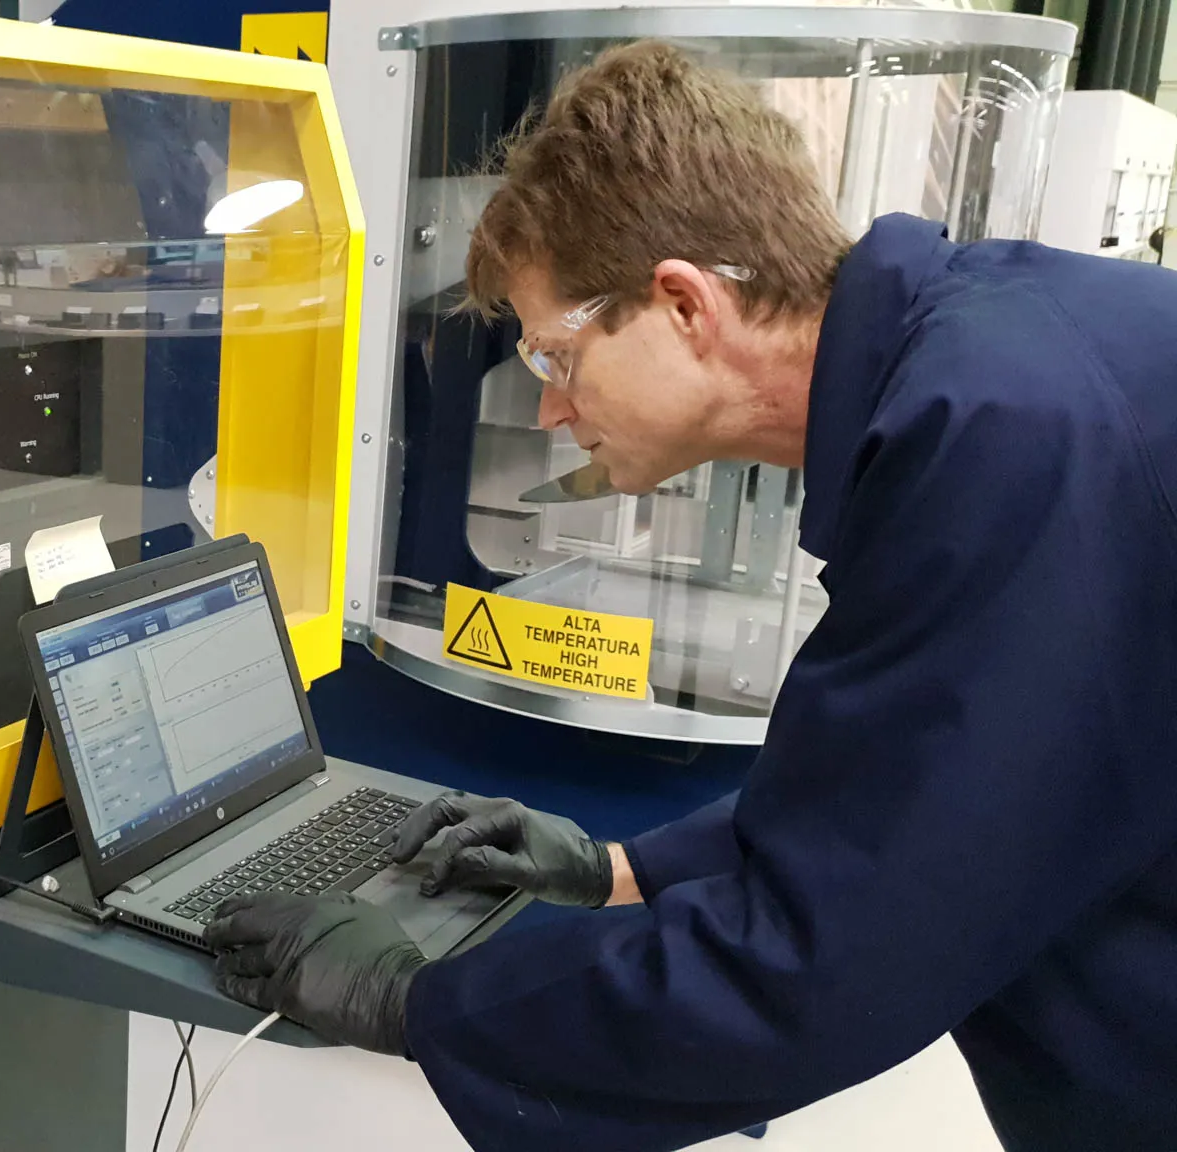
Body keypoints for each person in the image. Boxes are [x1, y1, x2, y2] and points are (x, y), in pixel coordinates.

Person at [206, 41, 1177, 1152]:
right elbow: (909, 796)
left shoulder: (1005, 443)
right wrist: (617, 870)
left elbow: (824, 963)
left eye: (552, 358)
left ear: (681, 303)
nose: (556, 413)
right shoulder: (977, 364)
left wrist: (413, 1003)